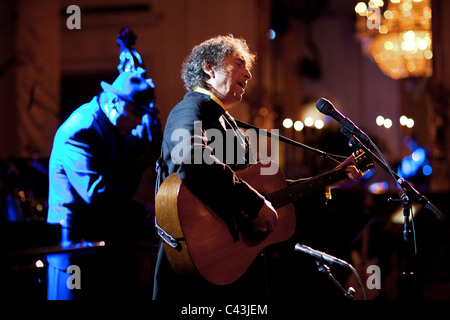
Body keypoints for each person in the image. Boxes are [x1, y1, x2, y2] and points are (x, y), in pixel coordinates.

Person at [152, 34, 362, 301]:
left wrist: (328, 181)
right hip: (198, 267)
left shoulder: (228, 123)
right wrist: (252, 204)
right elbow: (191, 159)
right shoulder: (190, 109)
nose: (248, 73)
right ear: (208, 68)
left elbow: (266, 192)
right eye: (239, 63)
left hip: (234, 264)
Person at [47, 71, 160, 300]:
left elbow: (120, 181)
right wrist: (146, 212)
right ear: (114, 101)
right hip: (74, 245)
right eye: (135, 114)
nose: (138, 122)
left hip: (100, 241)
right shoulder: (82, 128)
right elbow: (94, 192)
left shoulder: (113, 127)